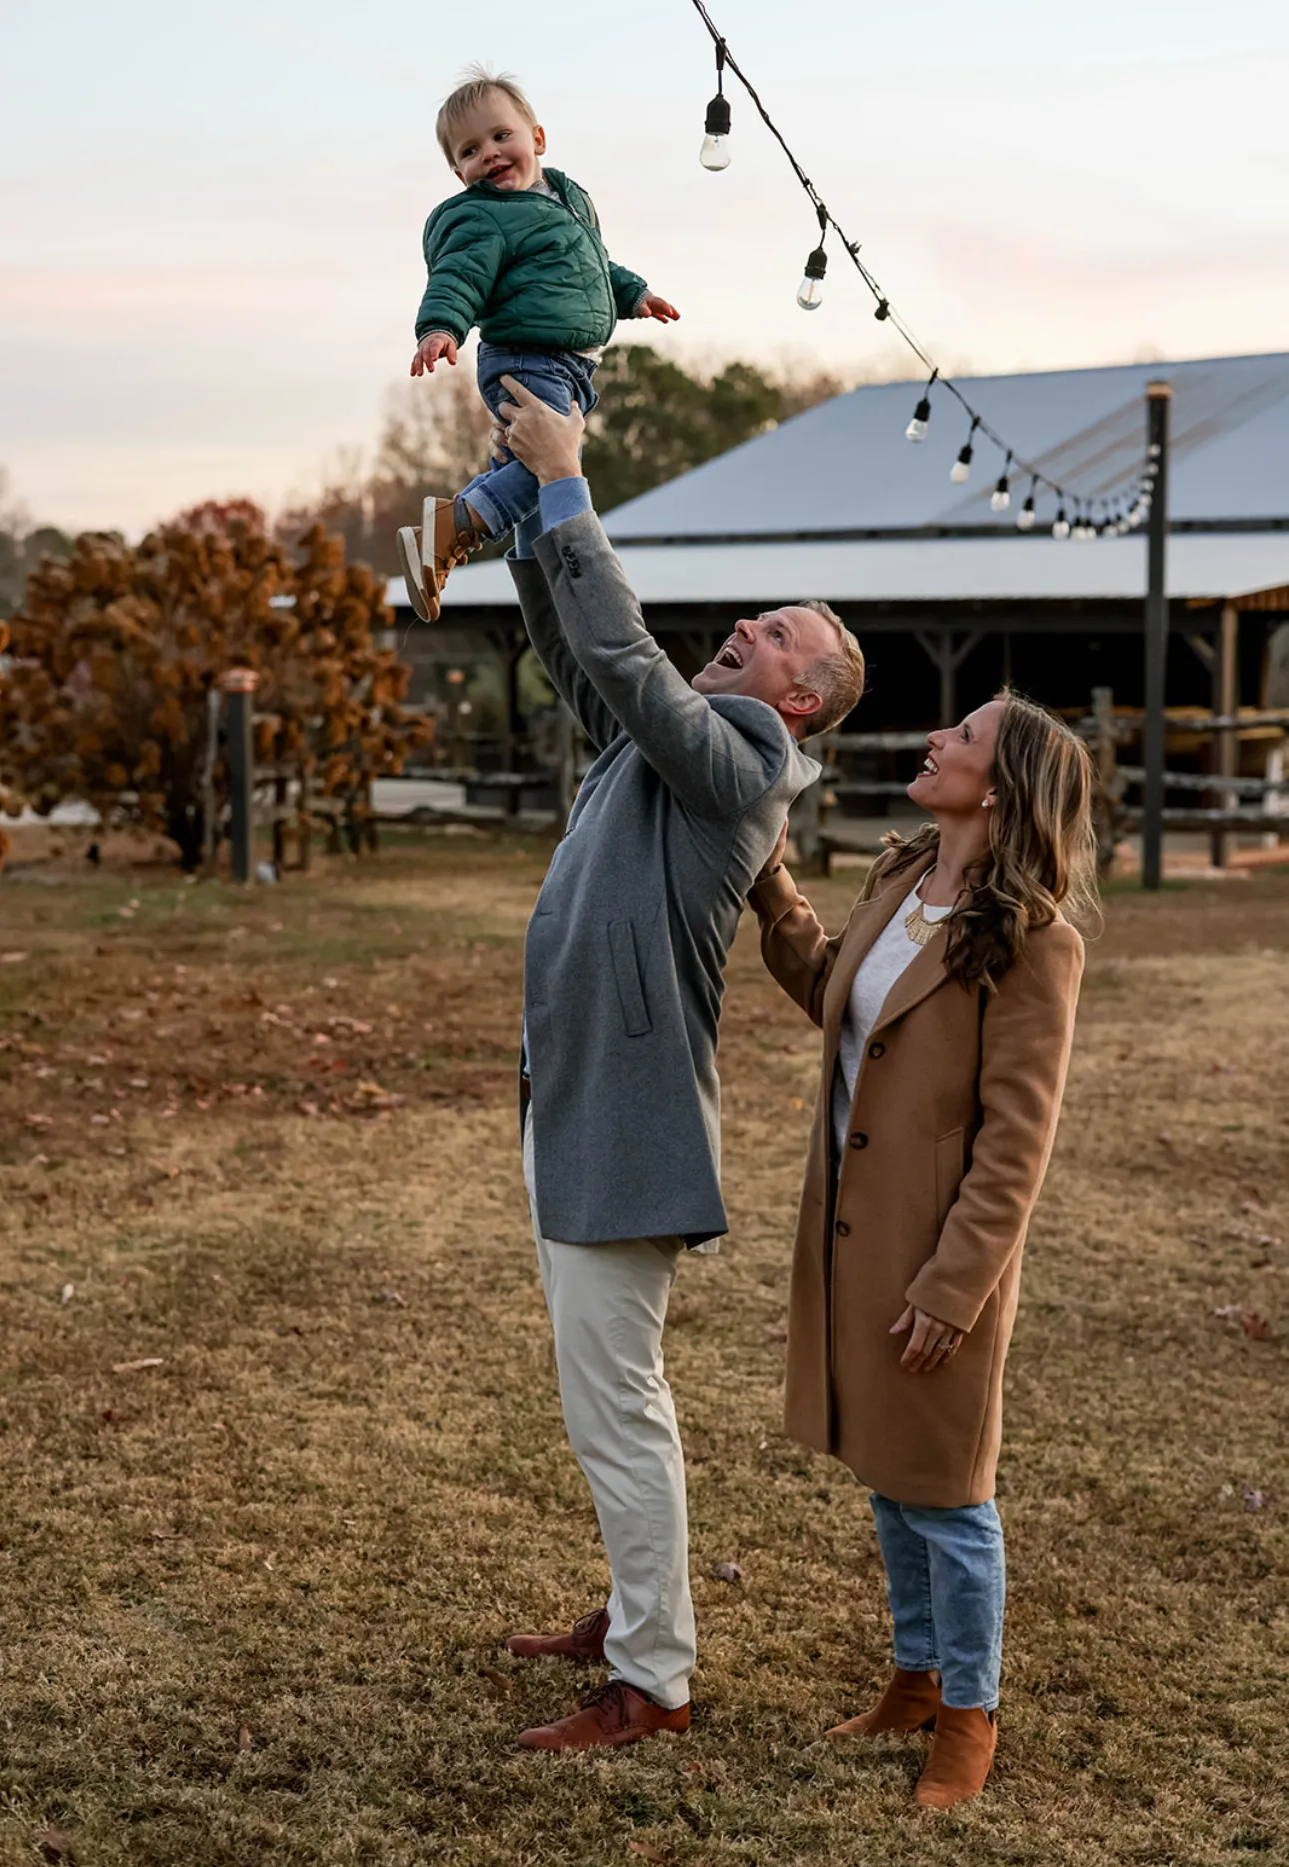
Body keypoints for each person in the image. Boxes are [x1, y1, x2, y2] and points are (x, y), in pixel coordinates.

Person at [492, 379, 866, 1752]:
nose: (745, 628)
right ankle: (627, 1603)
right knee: (603, 1400)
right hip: (573, 1105)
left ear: (802, 698)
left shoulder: (746, 761)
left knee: (619, 1408)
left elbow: (631, 663)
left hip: (627, 1128)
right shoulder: (660, 751)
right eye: (752, 617)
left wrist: (577, 484)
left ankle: (652, 1675)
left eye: (773, 634)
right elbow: (581, 651)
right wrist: (532, 502)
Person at [748, 691, 1096, 1809]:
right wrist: (769, 877)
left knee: (950, 1494)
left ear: (997, 787)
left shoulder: (1041, 944)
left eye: (966, 735)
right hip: (854, 1223)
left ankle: (970, 1712)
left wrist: (954, 1288)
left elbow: (1015, 1146)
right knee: (888, 1474)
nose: (937, 737)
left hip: (942, 1254)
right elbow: (827, 990)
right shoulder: (898, 883)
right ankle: (913, 1673)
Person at [396, 66, 679, 622]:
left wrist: (634, 293)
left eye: (502, 136)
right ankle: (459, 526)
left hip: (566, 364)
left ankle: (540, 584)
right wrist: (441, 328)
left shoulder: (565, 200)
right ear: (460, 173)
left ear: (537, 139)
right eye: (472, 150)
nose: (491, 153)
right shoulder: (484, 218)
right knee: (552, 462)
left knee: (530, 466)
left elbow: (590, 267)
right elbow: (458, 276)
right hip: (526, 357)